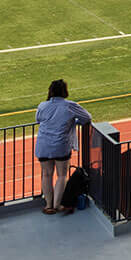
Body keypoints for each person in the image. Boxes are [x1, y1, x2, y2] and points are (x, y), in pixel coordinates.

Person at [35, 79, 93, 215]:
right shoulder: (70, 106)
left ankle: (48, 205)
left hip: (43, 144)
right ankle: (57, 204)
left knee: (46, 174)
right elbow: (87, 118)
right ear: (65, 91)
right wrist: (74, 121)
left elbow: (38, 119)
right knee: (62, 175)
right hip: (60, 145)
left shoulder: (42, 105)